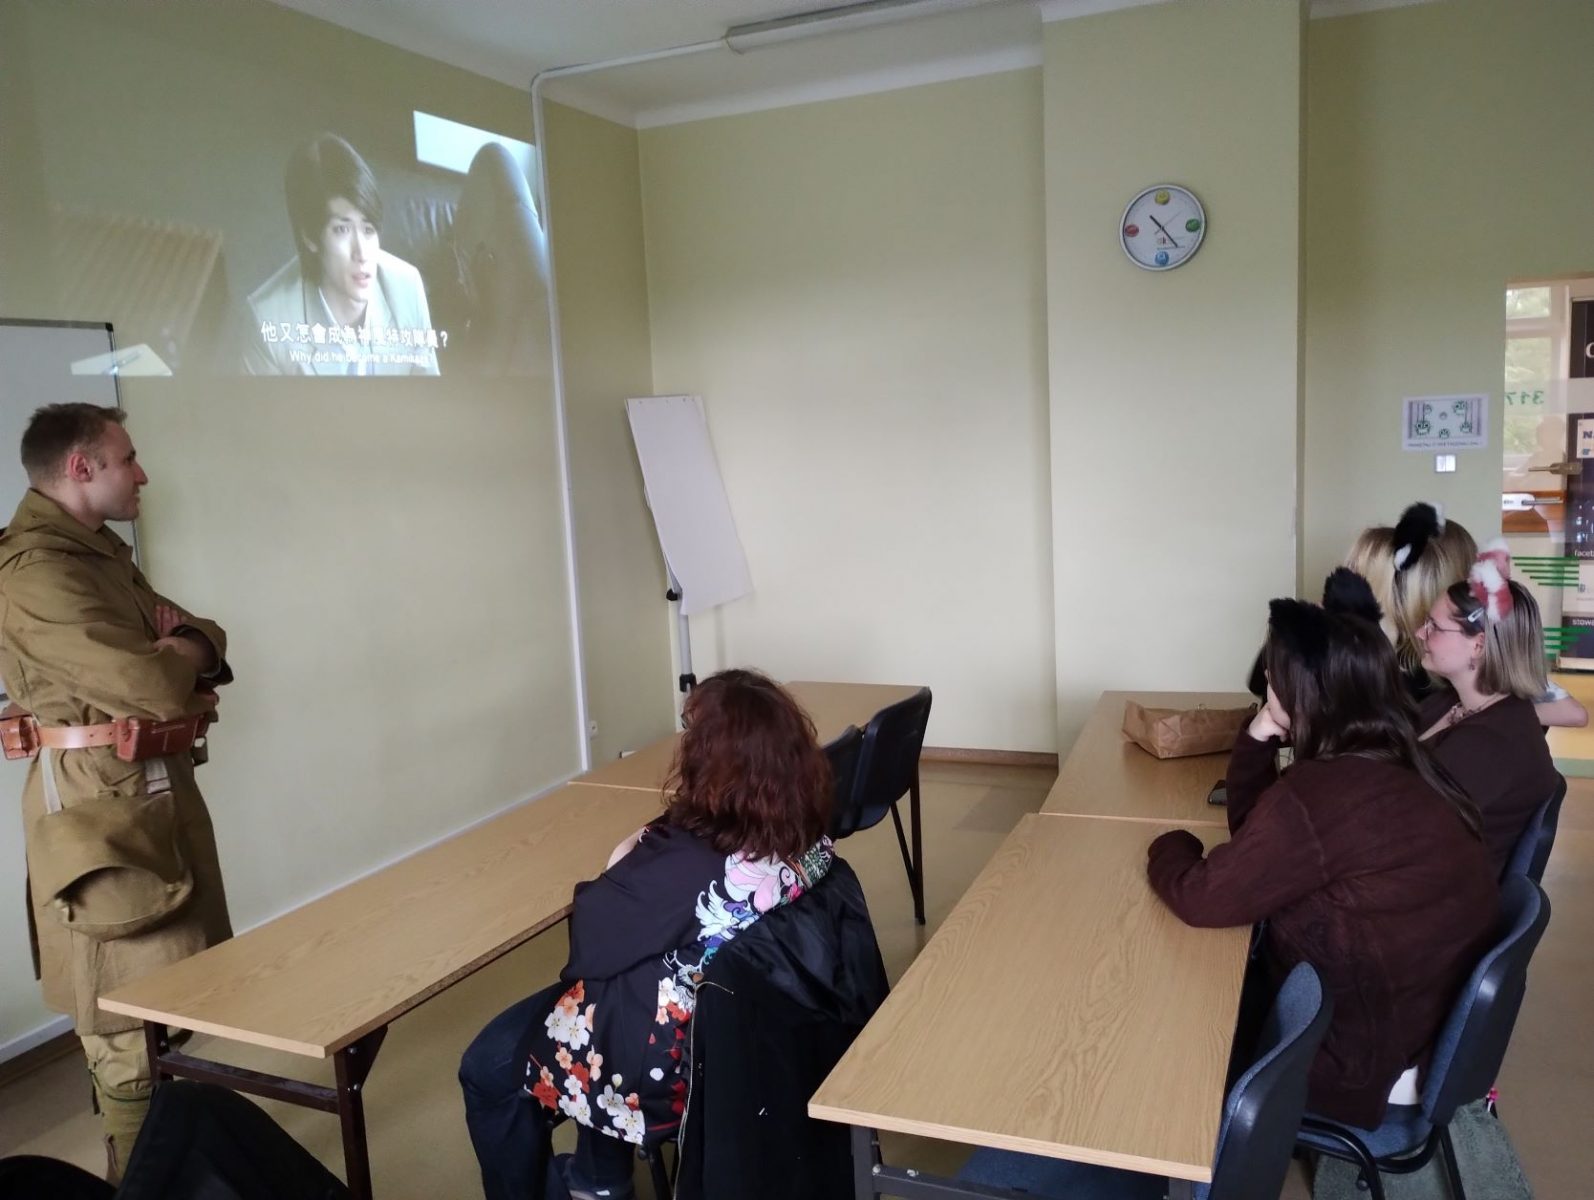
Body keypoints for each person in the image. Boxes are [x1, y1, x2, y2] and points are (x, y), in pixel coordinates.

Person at [459, 669, 835, 1200]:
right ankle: (598, 1177)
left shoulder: (688, 864)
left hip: (668, 1062)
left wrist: (628, 852)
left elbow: (592, 942)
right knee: (622, 983)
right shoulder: (807, 836)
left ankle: (587, 1181)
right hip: (757, 1037)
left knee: (485, 1066)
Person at [1148, 577, 1496, 1129]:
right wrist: (1262, 730)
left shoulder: (1324, 793)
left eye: (1274, 677)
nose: (1267, 680)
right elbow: (1258, 837)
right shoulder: (1395, 754)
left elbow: (1203, 898)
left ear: (1303, 692)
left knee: (1167, 1021)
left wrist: (1172, 843)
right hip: (1414, 1026)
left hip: (1356, 1058)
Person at [0, 404, 232, 1180]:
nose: (142, 474)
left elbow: (201, 634)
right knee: (123, 1025)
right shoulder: (37, 572)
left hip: (145, 795)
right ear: (81, 468)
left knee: (165, 1002)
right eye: (127, 458)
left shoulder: (93, 551)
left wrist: (186, 643)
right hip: (97, 813)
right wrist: (178, 654)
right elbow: (150, 681)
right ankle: (140, 1181)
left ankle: (167, 1165)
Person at [1414, 543, 1564, 875]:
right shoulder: (1450, 701)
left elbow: (1406, 827)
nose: (1420, 633)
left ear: (1479, 645)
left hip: (1435, 892)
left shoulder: (1493, 742)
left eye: (1434, 626)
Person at [244, 133, 439, 376]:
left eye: (368, 229)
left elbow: (429, 391)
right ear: (310, 237)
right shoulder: (266, 321)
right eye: (342, 230)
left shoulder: (407, 287)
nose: (362, 253)